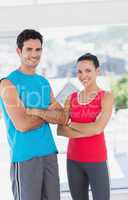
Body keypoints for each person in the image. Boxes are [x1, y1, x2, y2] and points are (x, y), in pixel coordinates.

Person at [27, 53, 114, 200]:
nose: (83, 75)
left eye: (88, 71)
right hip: (73, 160)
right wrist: (89, 128)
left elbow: (98, 128)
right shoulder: (71, 98)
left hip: (97, 159)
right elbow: (61, 130)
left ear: (97, 71)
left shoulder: (106, 97)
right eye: (79, 72)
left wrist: (71, 124)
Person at [0, 29, 64, 200]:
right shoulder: (8, 83)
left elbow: (63, 117)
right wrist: (48, 114)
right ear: (19, 51)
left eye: (38, 49)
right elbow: (23, 125)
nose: (34, 54)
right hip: (25, 156)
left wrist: (34, 111)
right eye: (29, 49)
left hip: (49, 153)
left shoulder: (43, 82)